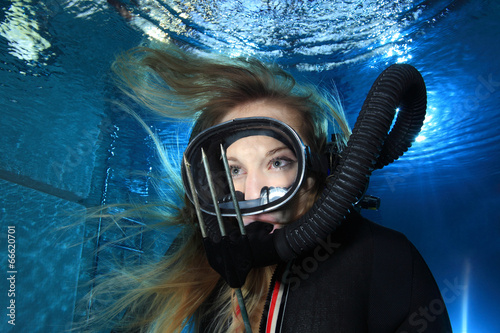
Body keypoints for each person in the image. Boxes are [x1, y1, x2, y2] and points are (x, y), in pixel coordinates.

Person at [88, 44, 452, 333]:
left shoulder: (386, 258)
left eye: (278, 162)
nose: (253, 190)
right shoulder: (204, 255)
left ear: (320, 169)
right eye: (234, 169)